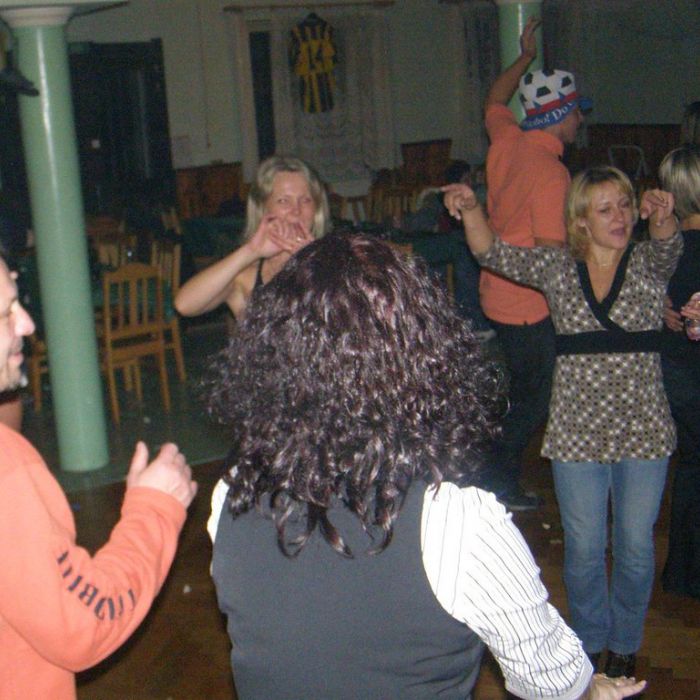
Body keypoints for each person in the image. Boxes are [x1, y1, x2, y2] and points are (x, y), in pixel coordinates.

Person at [206, 232, 645, 699]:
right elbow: (552, 683)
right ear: (423, 356)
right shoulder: (459, 525)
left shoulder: (231, 495)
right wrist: (593, 690)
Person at [444, 165, 680, 678]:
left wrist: (663, 216)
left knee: (635, 546)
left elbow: (667, 244)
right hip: (576, 430)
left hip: (643, 428)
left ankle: (626, 640)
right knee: (585, 547)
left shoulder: (645, 262)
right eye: (604, 208)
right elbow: (492, 253)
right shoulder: (557, 268)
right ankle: (590, 639)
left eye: (624, 204)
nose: (619, 216)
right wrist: (472, 208)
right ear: (580, 221)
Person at [0, 253, 198, 698]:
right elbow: (85, 622)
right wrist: (155, 509)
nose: (27, 324)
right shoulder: (6, 471)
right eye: (5, 312)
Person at [477, 18, 590, 511]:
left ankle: (490, 472)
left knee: (519, 391)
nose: (581, 120)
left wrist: (524, 57)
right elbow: (550, 261)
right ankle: (495, 484)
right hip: (527, 305)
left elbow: (494, 99)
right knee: (533, 399)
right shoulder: (551, 174)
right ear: (561, 115)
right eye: (576, 112)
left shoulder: (507, 140)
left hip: (495, 292)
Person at [174, 155, 330, 321]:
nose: (296, 210)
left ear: (316, 209)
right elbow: (184, 305)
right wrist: (251, 250)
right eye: (283, 201)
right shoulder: (247, 276)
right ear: (262, 209)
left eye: (305, 200)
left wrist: (312, 261)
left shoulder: (332, 264)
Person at [658, 144, 700, 599]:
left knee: (690, 468)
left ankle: (683, 574)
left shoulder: (664, 249)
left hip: (675, 373)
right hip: (686, 373)